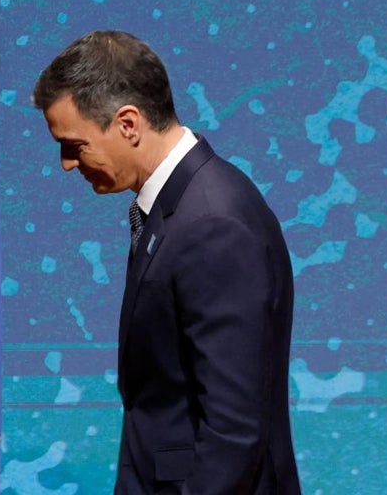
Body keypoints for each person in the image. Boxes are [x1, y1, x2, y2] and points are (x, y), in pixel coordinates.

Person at [32, 29, 302, 494]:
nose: (66, 164)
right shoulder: (177, 208)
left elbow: (233, 430)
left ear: (128, 124)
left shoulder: (213, 223)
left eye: (74, 145)